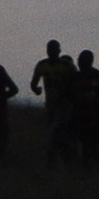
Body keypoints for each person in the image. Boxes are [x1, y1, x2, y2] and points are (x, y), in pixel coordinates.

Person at [31, 38, 79, 167]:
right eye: (50, 50)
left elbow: (78, 82)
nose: (52, 52)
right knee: (57, 132)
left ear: (59, 51)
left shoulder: (68, 66)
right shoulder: (42, 65)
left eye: (54, 50)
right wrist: (36, 90)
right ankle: (64, 157)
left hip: (65, 106)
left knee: (56, 131)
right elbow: (34, 83)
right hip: (50, 105)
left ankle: (53, 157)